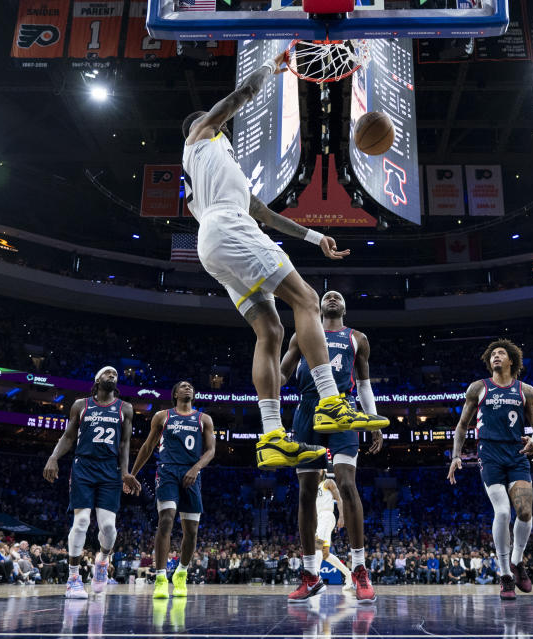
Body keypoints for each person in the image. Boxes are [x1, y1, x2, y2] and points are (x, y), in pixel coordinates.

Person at [179, 51, 388, 469]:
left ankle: (272, 436)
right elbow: (239, 96)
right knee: (307, 299)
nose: (221, 123)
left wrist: (315, 236)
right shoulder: (201, 137)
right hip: (230, 229)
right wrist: (269, 71)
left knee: (271, 331)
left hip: (217, 243)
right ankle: (332, 400)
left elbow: (268, 215)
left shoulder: (217, 173)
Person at [279, 290, 384, 602]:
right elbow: (284, 373)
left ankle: (360, 569)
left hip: (342, 409)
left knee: (347, 484)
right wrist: (267, 370)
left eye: (339, 296)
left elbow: (363, 384)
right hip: (306, 411)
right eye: (328, 295)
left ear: (344, 307)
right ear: (320, 306)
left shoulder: (357, 338)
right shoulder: (302, 333)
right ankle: (310, 575)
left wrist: (373, 418)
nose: (333, 297)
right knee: (307, 491)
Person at [447, 339, 533, 601]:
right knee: (502, 511)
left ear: (511, 360)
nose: (496, 357)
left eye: (501, 353)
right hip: (489, 454)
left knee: (525, 511)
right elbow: (462, 425)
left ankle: (516, 560)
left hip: (516, 453)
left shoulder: (526, 390)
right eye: (492, 354)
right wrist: (456, 455)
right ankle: (504, 574)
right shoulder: (479, 387)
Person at [44, 366, 135, 598]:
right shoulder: (80, 405)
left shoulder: (125, 408)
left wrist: (125, 472)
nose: (113, 376)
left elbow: (124, 444)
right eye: (108, 374)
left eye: (115, 374)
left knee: (107, 527)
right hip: (83, 466)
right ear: (97, 380)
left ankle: (103, 561)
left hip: (109, 469)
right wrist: (54, 457)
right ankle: (73, 578)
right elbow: (68, 436)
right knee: (82, 520)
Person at [126, 380, 215, 599]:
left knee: (191, 531)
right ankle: (160, 578)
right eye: (183, 386)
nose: (188, 388)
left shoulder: (204, 419)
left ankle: (181, 573)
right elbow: (147, 446)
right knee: (166, 519)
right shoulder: (162, 416)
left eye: (191, 386)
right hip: (167, 471)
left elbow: (211, 450)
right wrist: (132, 474)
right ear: (175, 393)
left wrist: (196, 468)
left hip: (192, 473)